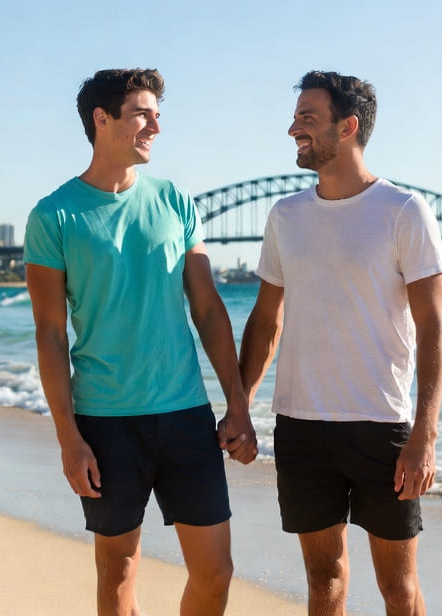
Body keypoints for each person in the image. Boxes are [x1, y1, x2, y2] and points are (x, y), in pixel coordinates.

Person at [24, 68, 257, 615]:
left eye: (158, 115)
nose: (155, 125)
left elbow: (207, 308)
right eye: (142, 114)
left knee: (216, 572)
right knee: (118, 572)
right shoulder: (53, 215)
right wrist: (68, 438)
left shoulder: (174, 200)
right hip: (106, 421)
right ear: (102, 119)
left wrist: (239, 403)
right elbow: (51, 335)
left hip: (185, 414)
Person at [239, 70, 442, 616]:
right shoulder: (285, 215)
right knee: (323, 579)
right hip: (301, 427)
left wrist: (424, 433)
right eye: (295, 118)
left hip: (381, 425)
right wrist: (241, 406)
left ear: (348, 126)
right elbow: (266, 320)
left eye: (307, 118)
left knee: (398, 589)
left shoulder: (404, 211)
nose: (292, 129)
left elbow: (434, 329)